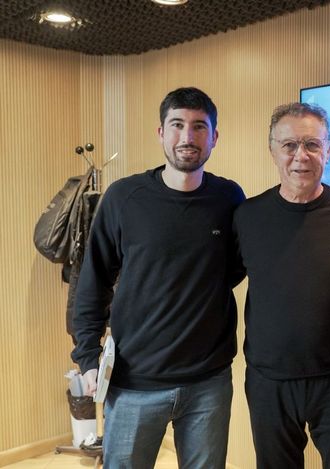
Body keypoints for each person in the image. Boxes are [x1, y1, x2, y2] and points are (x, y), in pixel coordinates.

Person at [71, 87, 245, 468]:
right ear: (161, 132)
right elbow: (93, 282)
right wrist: (87, 356)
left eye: (199, 126)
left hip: (208, 383)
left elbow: (231, 271)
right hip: (133, 383)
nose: (187, 136)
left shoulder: (230, 198)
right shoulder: (124, 197)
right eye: (177, 125)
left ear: (214, 136)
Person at [233, 103, 330, 469]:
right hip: (268, 381)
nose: (301, 156)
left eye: (312, 144)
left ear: (329, 150)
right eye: (289, 145)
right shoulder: (247, 216)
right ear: (273, 151)